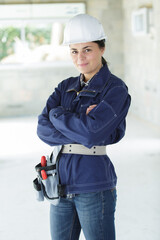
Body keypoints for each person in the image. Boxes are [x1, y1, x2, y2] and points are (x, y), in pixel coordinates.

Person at [37, 14, 131, 240]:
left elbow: (91, 133)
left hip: (94, 183)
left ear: (102, 48)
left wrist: (57, 114)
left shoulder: (115, 89)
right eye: (74, 51)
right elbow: (42, 128)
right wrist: (79, 121)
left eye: (87, 49)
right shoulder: (65, 86)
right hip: (59, 182)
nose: (80, 57)